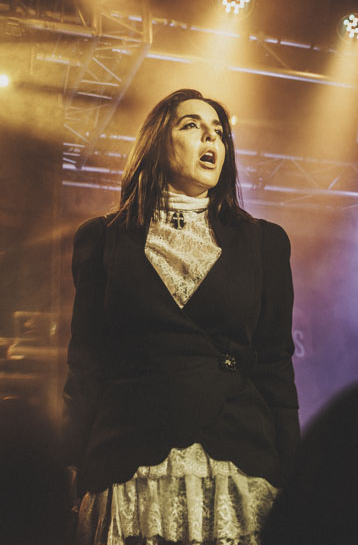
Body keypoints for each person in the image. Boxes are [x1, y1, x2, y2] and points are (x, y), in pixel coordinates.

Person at [64, 89, 300, 545]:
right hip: (130, 455)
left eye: (219, 132)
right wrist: (70, 456)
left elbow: (274, 362)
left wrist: (293, 465)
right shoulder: (103, 238)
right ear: (157, 142)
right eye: (191, 125)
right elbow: (87, 360)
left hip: (236, 454)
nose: (210, 137)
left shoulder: (264, 242)